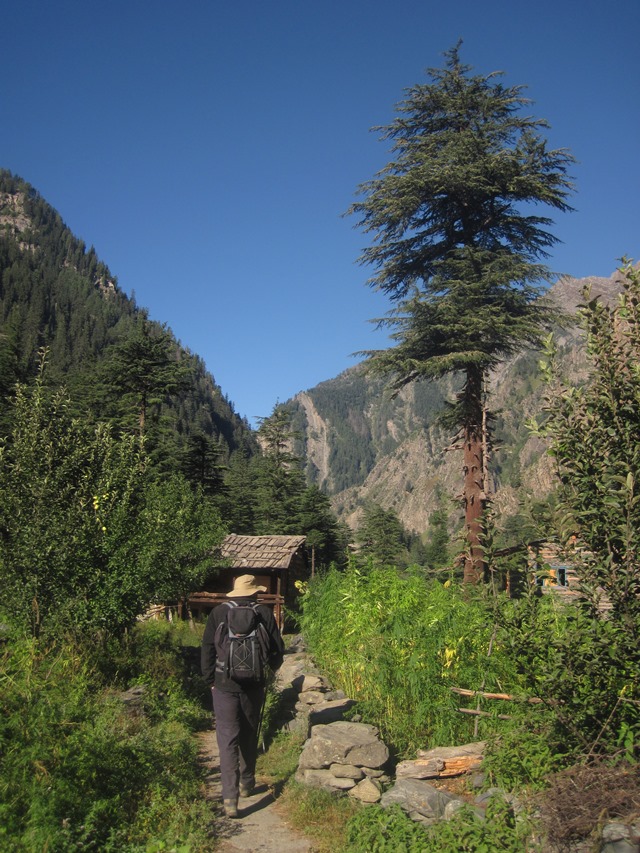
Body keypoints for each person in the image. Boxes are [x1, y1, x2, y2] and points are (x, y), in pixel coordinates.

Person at [201, 573, 284, 818]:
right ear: (255, 592)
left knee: (227, 739)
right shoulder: (264, 613)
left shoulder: (218, 613)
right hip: (254, 685)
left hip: (224, 684)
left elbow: (206, 648)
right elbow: (278, 651)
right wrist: (265, 672)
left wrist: (210, 681)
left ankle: (229, 798)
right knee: (249, 731)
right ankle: (247, 783)